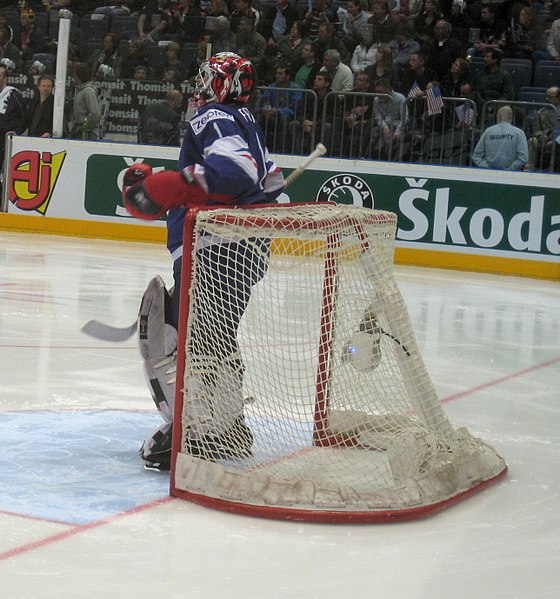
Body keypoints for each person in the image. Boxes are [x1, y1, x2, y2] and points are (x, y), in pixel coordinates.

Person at [121, 52, 285, 469]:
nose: (202, 83)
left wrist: (168, 187)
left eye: (209, 76)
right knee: (215, 336)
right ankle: (227, 427)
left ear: (225, 84)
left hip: (214, 247)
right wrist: (171, 189)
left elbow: (235, 171)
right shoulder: (245, 121)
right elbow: (270, 182)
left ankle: (194, 431)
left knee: (172, 337)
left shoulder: (213, 115)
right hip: (243, 247)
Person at [472, 105, 528, 170]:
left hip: (489, 174)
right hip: (511, 176)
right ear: (511, 118)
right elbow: (523, 158)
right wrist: (510, 169)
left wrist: (487, 168)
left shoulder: (488, 131)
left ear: (499, 117)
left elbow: (476, 156)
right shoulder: (519, 133)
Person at [525, 86, 560, 171]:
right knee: (532, 141)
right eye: (546, 96)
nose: (547, 99)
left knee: (556, 145)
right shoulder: (540, 112)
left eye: (550, 97)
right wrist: (541, 136)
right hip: (545, 139)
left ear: (558, 98)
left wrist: (554, 140)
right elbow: (537, 129)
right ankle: (529, 167)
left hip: (557, 139)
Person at [0, 63, 26, 174]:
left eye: (1, 74)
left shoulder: (13, 94)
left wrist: (16, 132)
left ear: (5, 78)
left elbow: (25, 117)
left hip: (6, 142)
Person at [70, 63, 101, 139]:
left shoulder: (88, 91)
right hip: (80, 130)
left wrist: (86, 127)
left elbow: (95, 113)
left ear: (78, 77)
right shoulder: (81, 90)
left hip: (87, 133)